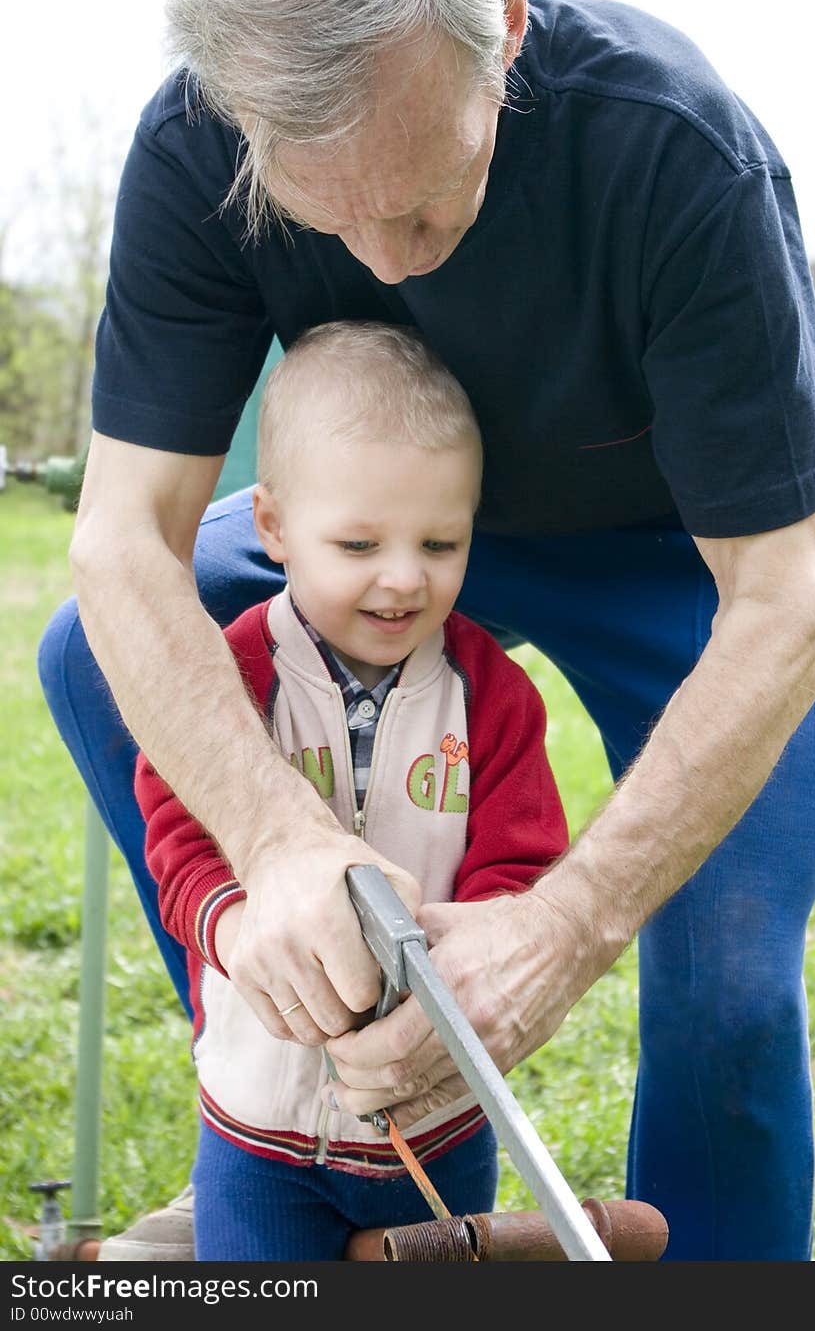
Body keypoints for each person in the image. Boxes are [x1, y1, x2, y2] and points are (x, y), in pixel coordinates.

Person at [37, 0, 815, 1262]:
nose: (384, 255)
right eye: (327, 215)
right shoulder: (197, 139)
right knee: (101, 658)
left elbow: (784, 596)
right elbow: (123, 541)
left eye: (425, 202)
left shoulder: (677, 152)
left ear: (506, 21)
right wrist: (274, 845)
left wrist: (558, 929)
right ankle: (281, 1115)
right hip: (428, 526)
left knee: (723, 966)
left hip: (708, 538)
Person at [131, 320, 569, 1261]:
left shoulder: (492, 698)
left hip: (438, 1125)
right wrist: (239, 929)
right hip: (257, 1129)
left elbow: (520, 866)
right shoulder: (226, 676)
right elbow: (179, 836)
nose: (404, 578)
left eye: (441, 541)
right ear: (276, 525)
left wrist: (475, 951)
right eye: (360, 541)